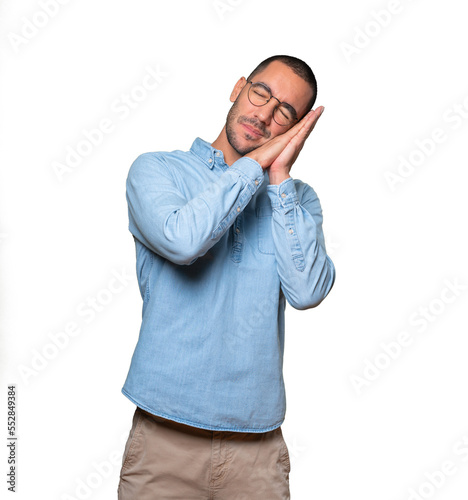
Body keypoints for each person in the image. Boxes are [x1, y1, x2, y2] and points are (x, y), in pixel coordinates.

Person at [117, 54, 336, 499]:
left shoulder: (295, 200)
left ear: (295, 129)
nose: (266, 114)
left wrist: (277, 181)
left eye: (286, 113)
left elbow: (308, 291)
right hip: (164, 441)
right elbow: (183, 241)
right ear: (238, 87)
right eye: (261, 93)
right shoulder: (158, 170)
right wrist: (252, 168)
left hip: (258, 449)